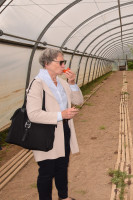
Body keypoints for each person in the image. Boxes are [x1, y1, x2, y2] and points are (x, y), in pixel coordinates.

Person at [26, 48, 84, 200]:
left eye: (63, 61)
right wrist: (61, 115)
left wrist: (72, 83)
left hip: (64, 129)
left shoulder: (62, 83)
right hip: (46, 133)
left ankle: (63, 197)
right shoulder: (38, 84)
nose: (64, 65)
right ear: (47, 63)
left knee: (62, 167)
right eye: (60, 62)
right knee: (47, 171)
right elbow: (33, 114)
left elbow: (78, 101)